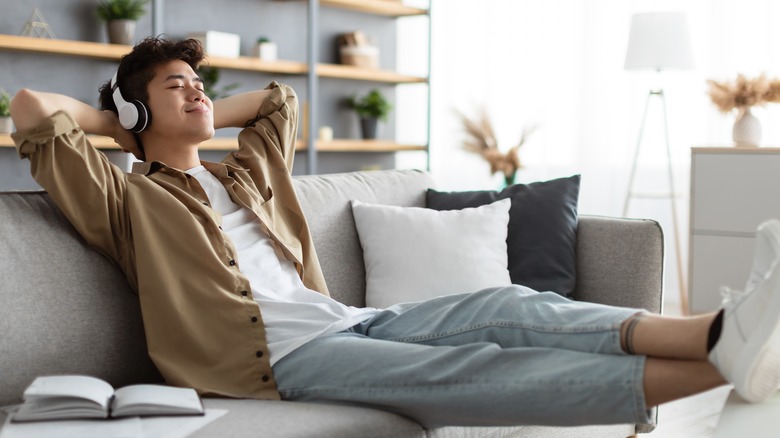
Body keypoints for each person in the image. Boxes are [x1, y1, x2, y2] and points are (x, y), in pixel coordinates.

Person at [9, 36, 780, 428]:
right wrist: (120, 119)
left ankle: (723, 330)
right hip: (275, 360)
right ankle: (723, 369)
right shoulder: (127, 198)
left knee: (512, 306)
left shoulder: (244, 172)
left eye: (201, 83)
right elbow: (31, 109)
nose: (200, 94)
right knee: (472, 371)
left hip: (350, 321)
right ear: (138, 116)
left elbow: (278, 100)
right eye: (178, 88)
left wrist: (182, 96)